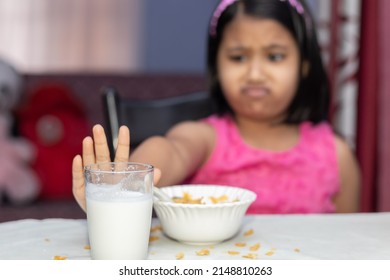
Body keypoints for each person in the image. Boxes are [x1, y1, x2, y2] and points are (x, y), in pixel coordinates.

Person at [72, 0, 360, 214]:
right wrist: (122, 187)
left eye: (274, 57)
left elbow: (344, 245)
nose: (255, 73)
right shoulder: (205, 139)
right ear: (216, 67)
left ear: (305, 66)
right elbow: (171, 150)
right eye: (238, 57)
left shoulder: (336, 156)